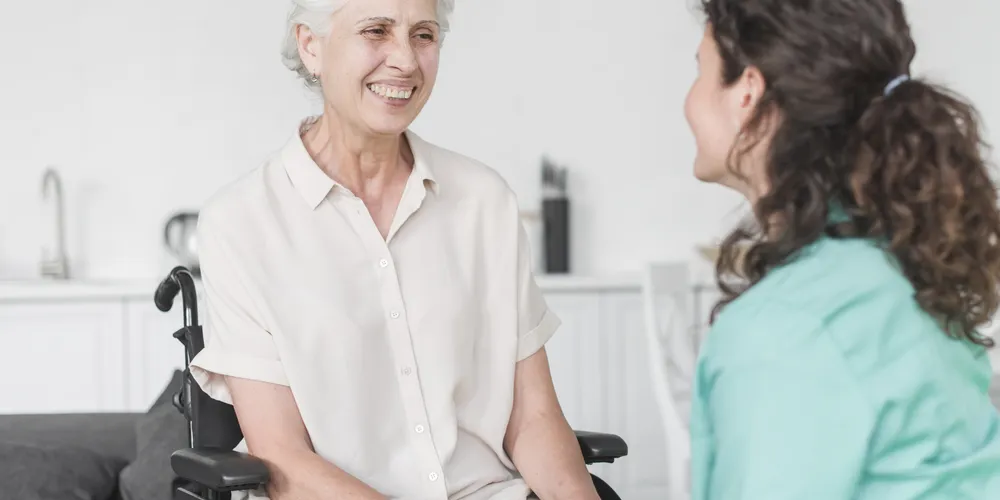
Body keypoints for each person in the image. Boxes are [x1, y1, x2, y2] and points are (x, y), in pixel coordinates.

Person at [187, 0, 601, 499]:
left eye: (423, 35)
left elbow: (532, 416)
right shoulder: (240, 223)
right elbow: (281, 457)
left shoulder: (484, 200)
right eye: (376, 31)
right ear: (310, 45)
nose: (405, 60)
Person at [683, 0, 1000, 498]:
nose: (689, 100)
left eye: (700, 71)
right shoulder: (906, 265)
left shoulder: (785, 330)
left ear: (748, 92)